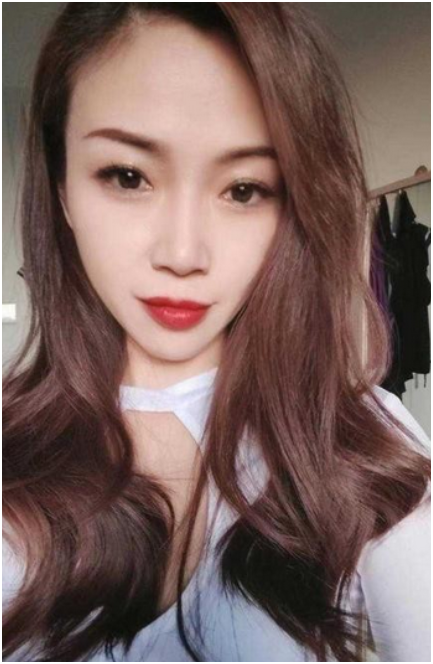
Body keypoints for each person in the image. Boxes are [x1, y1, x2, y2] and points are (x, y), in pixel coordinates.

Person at [2, 3, 430, 662]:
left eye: (244, 189)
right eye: (128, 176)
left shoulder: (357, 437)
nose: (183, 253)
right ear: (62, 192)